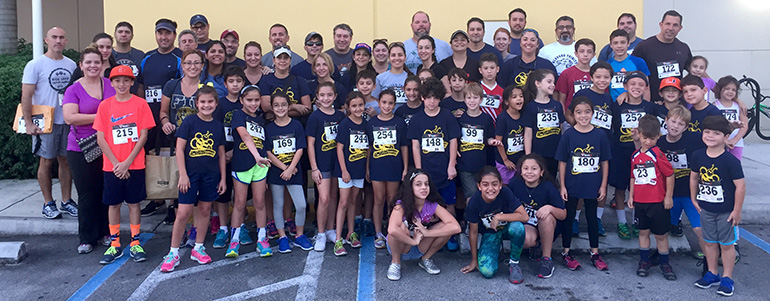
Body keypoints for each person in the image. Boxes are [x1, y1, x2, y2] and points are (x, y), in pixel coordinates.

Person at [93, 65, 155, 264]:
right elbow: (101, 138)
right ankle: (115, 244)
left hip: (134, 163)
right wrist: (116, 163)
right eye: (117, 81)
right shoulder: (105, 106)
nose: (122, 84)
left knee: (134, 203)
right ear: (111, 83)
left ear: (132, 82)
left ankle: (135, 242)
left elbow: (144, 135)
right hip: (112, 165)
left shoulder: (140, 104)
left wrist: (127, 163)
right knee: (113, 204)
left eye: (126, 80)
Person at [160, 85, 225, 272]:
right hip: (190, 175)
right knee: (183, 212)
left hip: (210, 175)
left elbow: (221, 154)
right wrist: (183, 174)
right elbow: (180, 150)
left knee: (205, 210)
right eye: (203, 102)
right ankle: (173, 252)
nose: (206, 105)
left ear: (216, 103)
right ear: (197, 103)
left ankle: (198, 247)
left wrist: (222, 179)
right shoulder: (189, 122)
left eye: (210, 102)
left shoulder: (218, 126)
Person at [63, 46, 116, 254]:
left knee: (105, 190)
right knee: (86, 193)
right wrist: (101, 117)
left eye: (97, 62)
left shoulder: (110, 85)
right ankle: (86, 237)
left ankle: (105, 232)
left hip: (109, 146)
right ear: (81, 66)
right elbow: (70, 117)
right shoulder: (73, 89)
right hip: (81, 147)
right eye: (89, 62)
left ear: (103, 65)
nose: (93, 66)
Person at [21, 27, 77, 219]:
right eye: (54, 37)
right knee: (46, 161)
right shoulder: (35, 65)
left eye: (62, 37)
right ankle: (48, 203)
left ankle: (67, 200)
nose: (58, 41)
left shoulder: (71, 65)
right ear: (46, 40)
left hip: (67, 120)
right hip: (45, 122)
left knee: (66, 161)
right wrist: (28, 123)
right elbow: (26, 95)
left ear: (66, 41)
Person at [556, 96, 612, 272]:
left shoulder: (600, 134)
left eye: (587, 112)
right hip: (573, 184)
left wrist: (603, 185)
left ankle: (595, 252)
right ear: (572, 114)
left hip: (592, 184)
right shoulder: (569, 135)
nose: (583, 116)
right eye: (579, 112)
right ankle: (566, 252)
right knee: (569, 217)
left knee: (592, 218)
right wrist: (563, 185)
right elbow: (563, 161)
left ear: (593, 113)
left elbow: (604, 161)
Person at [691, 116, 745, 297]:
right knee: (709, 242)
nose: (710, 136)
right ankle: (712, 273)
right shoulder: (698, 155)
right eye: (707, 132)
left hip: (726, 212)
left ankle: (727, 277)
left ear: (726, 137)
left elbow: (740, 186)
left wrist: (737, 210)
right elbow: (694, 177)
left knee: (727, 245)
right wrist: (693, 198)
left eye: (716, 133)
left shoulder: (730, 161)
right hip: (706, 209)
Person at [406, 77, 462, 250]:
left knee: (448, 203)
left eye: (435, 97)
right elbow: (415, 145)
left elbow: (453, 141)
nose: (432, 101)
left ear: (440, 98)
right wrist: (418, 170)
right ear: (422, 97)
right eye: (428, 97)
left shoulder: (447, 116)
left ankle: (450, 235)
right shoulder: (416, 120)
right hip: (426, 169)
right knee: (422, 202)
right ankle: (421, 231)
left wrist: (451, 164)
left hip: (444, 168)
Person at [136, 19, 183, 221]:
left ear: (174, 35)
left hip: (170, 120)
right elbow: (140, 87)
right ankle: (157, 199)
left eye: (168, 33)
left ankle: (173, 202)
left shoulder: (180, 57)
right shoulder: (147, 58)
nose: (163, 37)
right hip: (149, 118)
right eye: (160, 33)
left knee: (171, 159)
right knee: (152, 158)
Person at [386, 168, 461, 280]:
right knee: (399, 227)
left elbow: (456, 227)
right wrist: (413, 241)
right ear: (410, 187)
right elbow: (392, 230)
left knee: (446, 227)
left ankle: (426, 258)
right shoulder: (401, 205)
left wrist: (427, 232)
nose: (424, 187)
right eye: (418, 184)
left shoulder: (431, 205)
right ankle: (395, 263)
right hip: (400, 247)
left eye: (426, 184)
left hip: (420, 246)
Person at [224, 85, 272, 258]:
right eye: (249, 100)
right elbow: (244, 136)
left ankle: (261, 238)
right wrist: (256, 156)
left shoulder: (260, 121)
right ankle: (234, 240)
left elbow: (265, 147)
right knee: (240, 203)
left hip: (260, 166)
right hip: (242, 163)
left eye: (256, 100)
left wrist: (262, 159)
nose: (253, 103)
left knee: (259, 202)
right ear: (241, 100)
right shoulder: (238, 115)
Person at [610, 71, 658, 239]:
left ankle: (637, 220)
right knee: (620, 187)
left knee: (639, 187)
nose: (636, 87)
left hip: (643, 154)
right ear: (625, 87)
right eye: (632, 84)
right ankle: (622, 221)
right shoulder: (617, 104)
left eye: (640, 85)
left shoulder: (650, 107)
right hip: (620, 151)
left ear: (646, 88)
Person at [628, 114, 676, 280]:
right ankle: (644, 261)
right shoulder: (635, 156)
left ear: (658, 137)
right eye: (645, 138)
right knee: (643, 232)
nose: (648, 142)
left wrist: (668, 196)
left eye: (652, 139)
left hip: (657, 201)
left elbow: (670, 175)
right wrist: (631, 196)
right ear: (639, 134)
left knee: (661, 235)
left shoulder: (658, 154)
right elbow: (633, 177)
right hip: (641, 201)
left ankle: (665, 262)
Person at [460, 166, 528, 283]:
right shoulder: (474, 203)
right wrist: (474, 260)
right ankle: (495, 250)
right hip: (490, 233)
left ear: (500, 185)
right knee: (487, 272)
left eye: (495, 184)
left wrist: (499, 216)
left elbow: (524, 216)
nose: (490, 189)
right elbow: (473, 232)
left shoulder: (505, 193)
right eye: (485, 184)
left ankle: (514, 263)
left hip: (507, 228)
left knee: (518, 228)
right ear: (479, 186)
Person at [265, 91, 313, 253]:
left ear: (289, 106)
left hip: (294, 172)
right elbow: (268, 152)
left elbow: (300, 149)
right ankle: (282, 237)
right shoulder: (269, 128)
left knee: (300, 205)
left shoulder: (296, 125)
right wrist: (283, 168)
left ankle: (299, 235)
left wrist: (291, 168)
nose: (280, 108)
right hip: (277, 172)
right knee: (278, 205)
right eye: (276, 105)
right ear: (271, 107)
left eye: (284, 105)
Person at [656, 106, 707, 253]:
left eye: (680, 124)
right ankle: (662, 258)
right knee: (662, 229)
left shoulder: (696, 139)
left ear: (686, 127)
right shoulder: (659, 143)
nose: (675, 126)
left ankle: (709, 264)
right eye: (673, 122)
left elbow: (713, 138)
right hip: (670, 194)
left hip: (690, 194)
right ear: (666, 121)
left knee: (699, 229)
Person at [509, 154, 566, 278]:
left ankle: (546, 259)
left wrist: (550, 208)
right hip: (527, 224)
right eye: (526, 168)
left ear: (541, 172)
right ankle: (537, 245)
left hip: (547, 225)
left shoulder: (548, 187)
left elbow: (563, 214)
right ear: (520, 171)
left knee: (545, 217)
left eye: (534, 169)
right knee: (525, 239)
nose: (529, 172)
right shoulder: (515, 184)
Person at [366, 89, 409, 249]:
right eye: (384, 102)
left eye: (390, 103)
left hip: (394, 166)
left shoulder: (399, 123)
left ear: (394, 104)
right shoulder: (372, 123)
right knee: (378, 199)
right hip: (377, 166)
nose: (387, 106)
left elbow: (404, 146)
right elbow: (369, 147)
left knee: (392, 200)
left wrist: (405, 168)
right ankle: (378, 233)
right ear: (379, 103)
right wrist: (367, 168)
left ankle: (392, 231)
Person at [307, 82, 346, 251]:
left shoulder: (340, 116)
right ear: (317, 97)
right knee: (323, 199)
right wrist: (314, 168)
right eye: (322, 95)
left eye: (329, 95)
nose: (326, 98)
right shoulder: (314, 117)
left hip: (336, 163)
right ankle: (321, 233)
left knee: (333, 197)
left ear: (335, 96)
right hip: (321, 164)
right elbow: (310, 144)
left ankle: (331, 230)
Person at [209, 66, 245, 238]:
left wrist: (237, 152)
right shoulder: (220, 104)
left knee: (240, 192)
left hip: (241, 153)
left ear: (243, 83)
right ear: (225, 84)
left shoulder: (247, 103)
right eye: (231, 81)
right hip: (223, 152)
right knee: (223, 192)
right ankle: (223, 228)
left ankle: (241, 225)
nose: (235, 84)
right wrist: (222, 153)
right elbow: (216, 130)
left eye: (238, 81)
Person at [334, 92, 369, 256]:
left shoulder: (366, 124)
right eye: (354, 106)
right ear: (348, 107)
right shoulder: (345, 124)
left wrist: (367, 169)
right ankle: (338, 238)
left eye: (360, 105)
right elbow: (339, 148)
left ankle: (351, 233)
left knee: (354, 201)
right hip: (346, 170)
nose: (357, 109)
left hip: (359, 169)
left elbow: (368, 149)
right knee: (343, 202)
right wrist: (344, 170)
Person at [632, 10, 693, 104]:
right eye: (667, 24)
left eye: (675, 25)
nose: (671, 28)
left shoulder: (683, 48)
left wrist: (715, 86)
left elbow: (695, 72)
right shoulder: (644, 46)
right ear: (661, 25)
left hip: (677, 105)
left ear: (680, 28)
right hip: (652, 103)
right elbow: (630, 71)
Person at [457, 83, 500, 204]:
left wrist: (492, 141)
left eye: (475, 98)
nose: (472, 101)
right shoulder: (460, 118)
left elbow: (488, 137)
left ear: (481, 99)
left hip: (481, 164)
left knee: (483, 194)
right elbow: (455, 139)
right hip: (464, 164)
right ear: (464, 99)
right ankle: (470, 221)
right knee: (471, 195)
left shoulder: (486, 119)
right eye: (469, 98)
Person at [522, 68, 564, 177]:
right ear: (538, 83)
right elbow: (528, 133)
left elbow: (561, 129)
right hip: (538, 153)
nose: (553, 85)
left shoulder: (557, 105)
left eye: (554, 82)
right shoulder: (530, 107)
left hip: (554, 152)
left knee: (552, 179)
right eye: (549, 82)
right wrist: (528, 156)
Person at [259, 46, 312, 118]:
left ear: (290, 60)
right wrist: (293, 106)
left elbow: (307, 108)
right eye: (279, 57)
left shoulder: (299, 80)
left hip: (296, 124)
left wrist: (276, 112)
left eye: (286, 58)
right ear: (274, 60)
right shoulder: (266, 80)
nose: (282, 60)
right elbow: (266, 107)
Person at [555, 38, 596, 124]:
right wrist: (565, 120)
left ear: (593, 55)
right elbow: (562, 100)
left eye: (589, 52)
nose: (585, 55)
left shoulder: (597, 74)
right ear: (576, 54)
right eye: (582, 51)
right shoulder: (566, 74)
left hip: (594, 121)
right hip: (571, 120)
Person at [605, 29, 650, 102]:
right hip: (614, 106)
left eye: (622, 42)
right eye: (615, 43)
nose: (619, 46)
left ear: (628, 43)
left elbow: (647, 88)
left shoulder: (639, 62)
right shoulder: (607, 65)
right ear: (611, 45)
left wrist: (646, 106)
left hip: (635, 105)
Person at [495, 85, 525, 185]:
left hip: (520, 161)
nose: (519, 99)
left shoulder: (524, 115)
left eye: (521, 96)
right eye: (514, 97)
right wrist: (505, 160)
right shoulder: (503, 118)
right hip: (505, 163)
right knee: (505, 186)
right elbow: (498, 141)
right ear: (507, 102)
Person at [683, 75, 722, 149]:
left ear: (704, 91)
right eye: (685, 91)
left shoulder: (713, 112)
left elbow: (719, 138)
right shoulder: (688, 113)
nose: (689, 94)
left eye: (693, 90)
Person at [713, 76, 748, 160]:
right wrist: (723, 141)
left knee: (735, 165)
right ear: (720, 89)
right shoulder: (714, 106)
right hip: (719, 143)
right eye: (727, 88)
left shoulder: (739, 106)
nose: (730, 92)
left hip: (736, 143)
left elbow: (745, 125)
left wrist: (734, 140)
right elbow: (713, 126)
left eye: (733, 90)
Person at [112, 22, 144, 95]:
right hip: (113, 100)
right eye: (120, 32)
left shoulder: (140, 55)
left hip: (135, 99)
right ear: (115, 35)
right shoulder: (108, 55)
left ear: (132, 36)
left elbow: (142, 81)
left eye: (127, 32)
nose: (123, 34)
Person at [478, 53, 504, 121]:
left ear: (497, 69)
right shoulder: (476, 89)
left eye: (492, 68)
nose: (489, 71)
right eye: (485, 68)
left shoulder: (502, 91)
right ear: (480, 70)